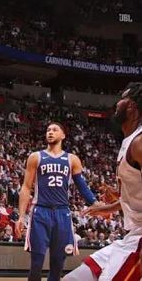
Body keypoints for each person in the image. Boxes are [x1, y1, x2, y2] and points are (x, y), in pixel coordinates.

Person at [64, 82, 142, 281]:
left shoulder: (139, 143)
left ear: (132, 107)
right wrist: (110, 207)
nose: (117, 103)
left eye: (123, 99)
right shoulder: (129, 141)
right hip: (130, 238)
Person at [15, 122, 100, 281]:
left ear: (63, 135)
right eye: (48, 130)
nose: (50, 132)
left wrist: (94, 202)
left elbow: (81, 185)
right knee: (36, 263)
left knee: (58, 264)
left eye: (55, 130)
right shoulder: (36, 157)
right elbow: (26, 187)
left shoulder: (72, 159)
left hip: (63, 213)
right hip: (40, 211)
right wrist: (21, 216)